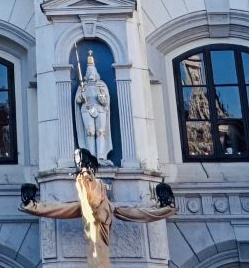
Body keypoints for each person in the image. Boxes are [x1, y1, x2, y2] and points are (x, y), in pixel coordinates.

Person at [20, 149, 174, 268]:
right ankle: (164, 207)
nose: (78, 163)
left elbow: (91, 202)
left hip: (98, 217)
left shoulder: (92, 183)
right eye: (77, 160)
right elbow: (89, 202)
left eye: (79, 160)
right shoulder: (91, 183)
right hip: (98, 216)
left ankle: (32, 204)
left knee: (97, 253)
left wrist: (85, 177)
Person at [75, 53, 111, 164]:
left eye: (92, 72)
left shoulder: (101, 85)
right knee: (90, 132)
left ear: (96, 74)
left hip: (100, 110)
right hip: (87, 109)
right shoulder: (83, 86)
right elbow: (77, 100)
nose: (91, 75)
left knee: (100, 132)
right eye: (88, 72)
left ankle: (100, 156)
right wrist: (82, 96)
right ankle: (91, 157)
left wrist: (101, 97)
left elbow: (106, 102)